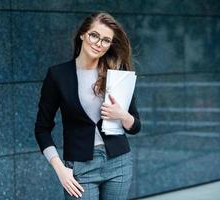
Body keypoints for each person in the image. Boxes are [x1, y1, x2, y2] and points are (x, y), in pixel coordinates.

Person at [34, 11, 141, 200]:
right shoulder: (58, 75)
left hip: (119, 163)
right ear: (83, 34)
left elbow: (135, 126)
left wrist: (122, 115)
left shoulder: (116, 74)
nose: (99, 43)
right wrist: (61, 169)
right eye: (94, 35)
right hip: (79, 167)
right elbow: (42, 129)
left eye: (106, 40)